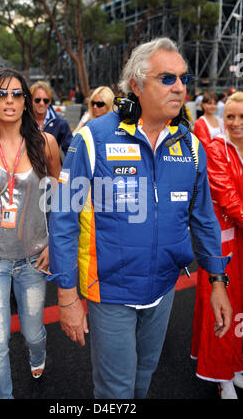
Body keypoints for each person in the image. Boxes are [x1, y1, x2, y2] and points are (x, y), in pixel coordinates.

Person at [49, 37, 232, 399]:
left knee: (143, 377)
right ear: (135, 84)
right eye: (167, 78)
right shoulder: (92, 138)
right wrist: (67, 296)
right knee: (116, 389)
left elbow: (204, 218)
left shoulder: (191, 146)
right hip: (111, 291)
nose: (180, 87)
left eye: (184, 78)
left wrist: (217, 280)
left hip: (163, 288)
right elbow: (63, 218)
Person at [0, 68, 61, 399]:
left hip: (34, 257)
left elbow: (60, 196)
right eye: (1, 94)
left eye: (17, 94)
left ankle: (38, 355)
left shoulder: (45, 143)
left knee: (33, 333)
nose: (9, 100)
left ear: (27, 102)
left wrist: (56, 244)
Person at [191, 91, 243, 399]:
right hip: (221, 247)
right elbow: (230, 201)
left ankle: (235, 366)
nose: (236, 123)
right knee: (221, 309)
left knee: (240, 310)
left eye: (242, 117)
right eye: (231, 117)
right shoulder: (216, 149)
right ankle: (221, 377)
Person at [30, 81, 73, 155]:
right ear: (30, 100)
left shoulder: (61, 124)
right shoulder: (22, 121)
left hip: (52, 164)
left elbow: (70, 151)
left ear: (50, 101)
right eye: (37, 100)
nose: (41, 103)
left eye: (46, 100)